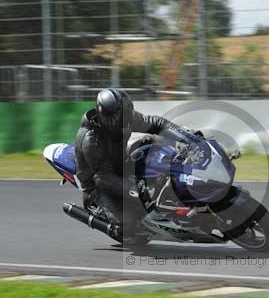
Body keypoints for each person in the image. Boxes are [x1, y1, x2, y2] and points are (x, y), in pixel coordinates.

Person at [74, 88, 188, 240]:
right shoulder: (92, 140)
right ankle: (102, 215)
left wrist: (187, 137)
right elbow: (103, 178)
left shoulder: (123, 118)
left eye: (126, 114)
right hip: (98, 186)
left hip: (121, 165)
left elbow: (156, 124)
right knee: (127, 225)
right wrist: (137, 191)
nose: (126, 120)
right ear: (106, 115)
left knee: (152, 144)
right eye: (121, 116)